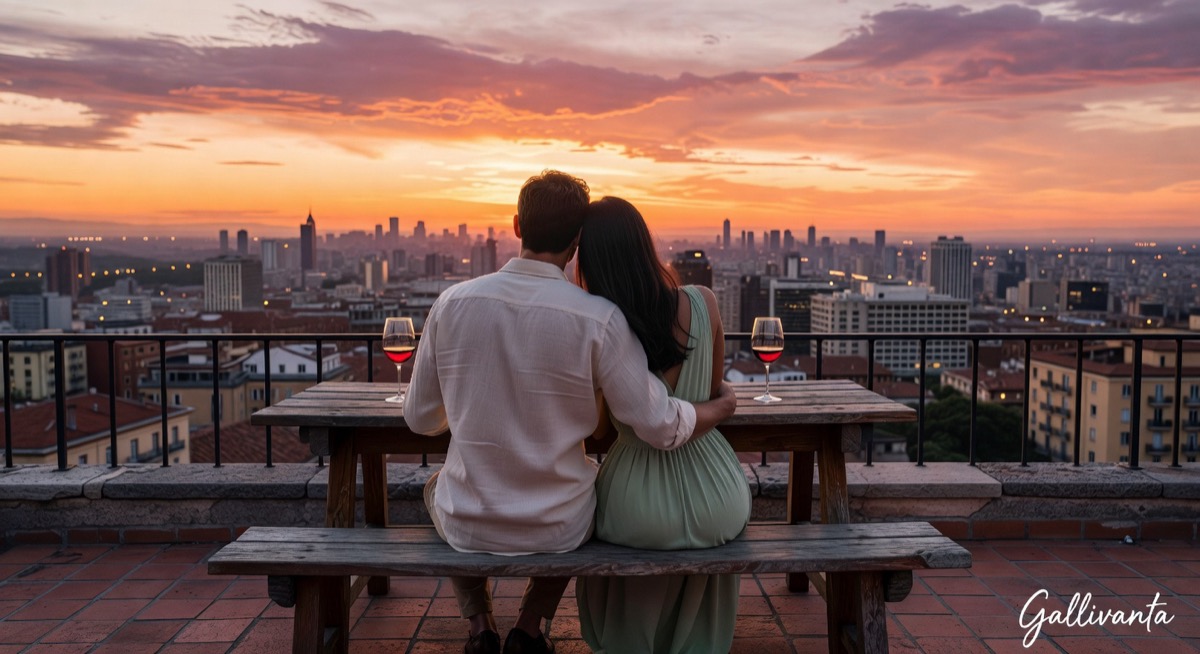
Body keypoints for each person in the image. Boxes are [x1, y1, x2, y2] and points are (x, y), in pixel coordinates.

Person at [403, 171, 739, 654]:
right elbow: (662, 425)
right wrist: (722, 405)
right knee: (581, 489)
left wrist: (469, 406)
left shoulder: (452, 304)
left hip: (469, 522)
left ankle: (479, 628)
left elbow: (419, 420)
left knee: (439, 485)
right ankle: (530, 626)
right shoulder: (598, 318)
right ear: (576, 240)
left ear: (516, 225)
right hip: (559, 525)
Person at [575, 197, 752, 654]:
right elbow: (713, 396)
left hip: (636, 501)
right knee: (701, 539)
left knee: (613, 527)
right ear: (643, 243)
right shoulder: (704, 302)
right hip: (716, 495)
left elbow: (597, 431)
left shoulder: (603, 326)